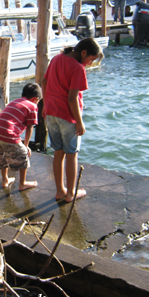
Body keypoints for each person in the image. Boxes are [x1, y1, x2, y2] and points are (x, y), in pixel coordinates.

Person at [42, 38, 104, 202]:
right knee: (71, 154)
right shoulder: (78, 68)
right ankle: (70, 194)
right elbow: (72, 98)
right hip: (67, 115)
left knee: (58, 152)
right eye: (91, 59)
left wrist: (45, 105)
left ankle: (60, 191)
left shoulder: (56, 58)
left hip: (51, 112)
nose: (90, 64)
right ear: (83, 53)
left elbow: (44, 81)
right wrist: (80, 122)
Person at [0, 83, 42, 191]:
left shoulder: (15, 101)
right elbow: (30, 127)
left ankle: (5, 180)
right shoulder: (32, 106)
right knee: (23, 155)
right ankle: (22, 184)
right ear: (35, 99)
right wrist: (26, 146)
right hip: (7, 133)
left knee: (2, 155)